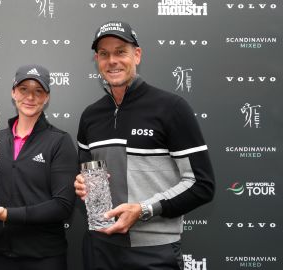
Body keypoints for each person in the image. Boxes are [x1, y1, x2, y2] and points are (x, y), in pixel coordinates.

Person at [74, 21, 215, 270]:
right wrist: (81, 185)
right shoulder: (90, 116)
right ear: (97, 60)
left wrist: (143, 210)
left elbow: (201, 185)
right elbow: (85, 178)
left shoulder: (171, 108)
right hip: (100, 247)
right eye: (104, 54)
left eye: (120, 51)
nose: (112, 61)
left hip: (153, 252)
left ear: (136, 55)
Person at [0, 65, 78, 270]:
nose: (30, 97)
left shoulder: (59, 141)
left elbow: (63, 206)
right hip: (0, 255)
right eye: (24, 89)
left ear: (47, 97)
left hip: (45, 258)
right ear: (13, 92)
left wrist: (7, 215)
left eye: (38, 91)